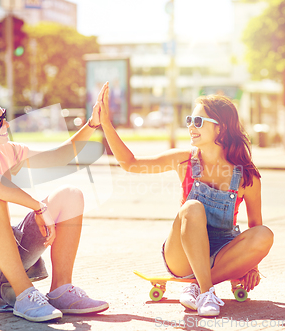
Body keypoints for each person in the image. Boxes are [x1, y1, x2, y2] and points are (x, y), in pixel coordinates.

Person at [0, 84, 109, 322]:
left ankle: (61, 290)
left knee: (71, 195)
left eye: (4, 116)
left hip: (1, 253)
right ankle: (24, 294)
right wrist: (38, 207)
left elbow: (61, 157)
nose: (6, 125)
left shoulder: (6, 151)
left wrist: (92, 124)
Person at [98, 85, 273, 317]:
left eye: (198, 121)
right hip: (180, 256)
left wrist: (252, 265)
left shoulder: (247, 177)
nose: (191, 125)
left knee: (265, 234)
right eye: (190, 119)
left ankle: (197, 284)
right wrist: (106, 125)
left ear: (220, 129)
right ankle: (206, 291)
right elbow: (131, 163)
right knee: (192, 208)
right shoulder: (184, 161)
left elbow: (255, 226)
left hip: (222, 253)